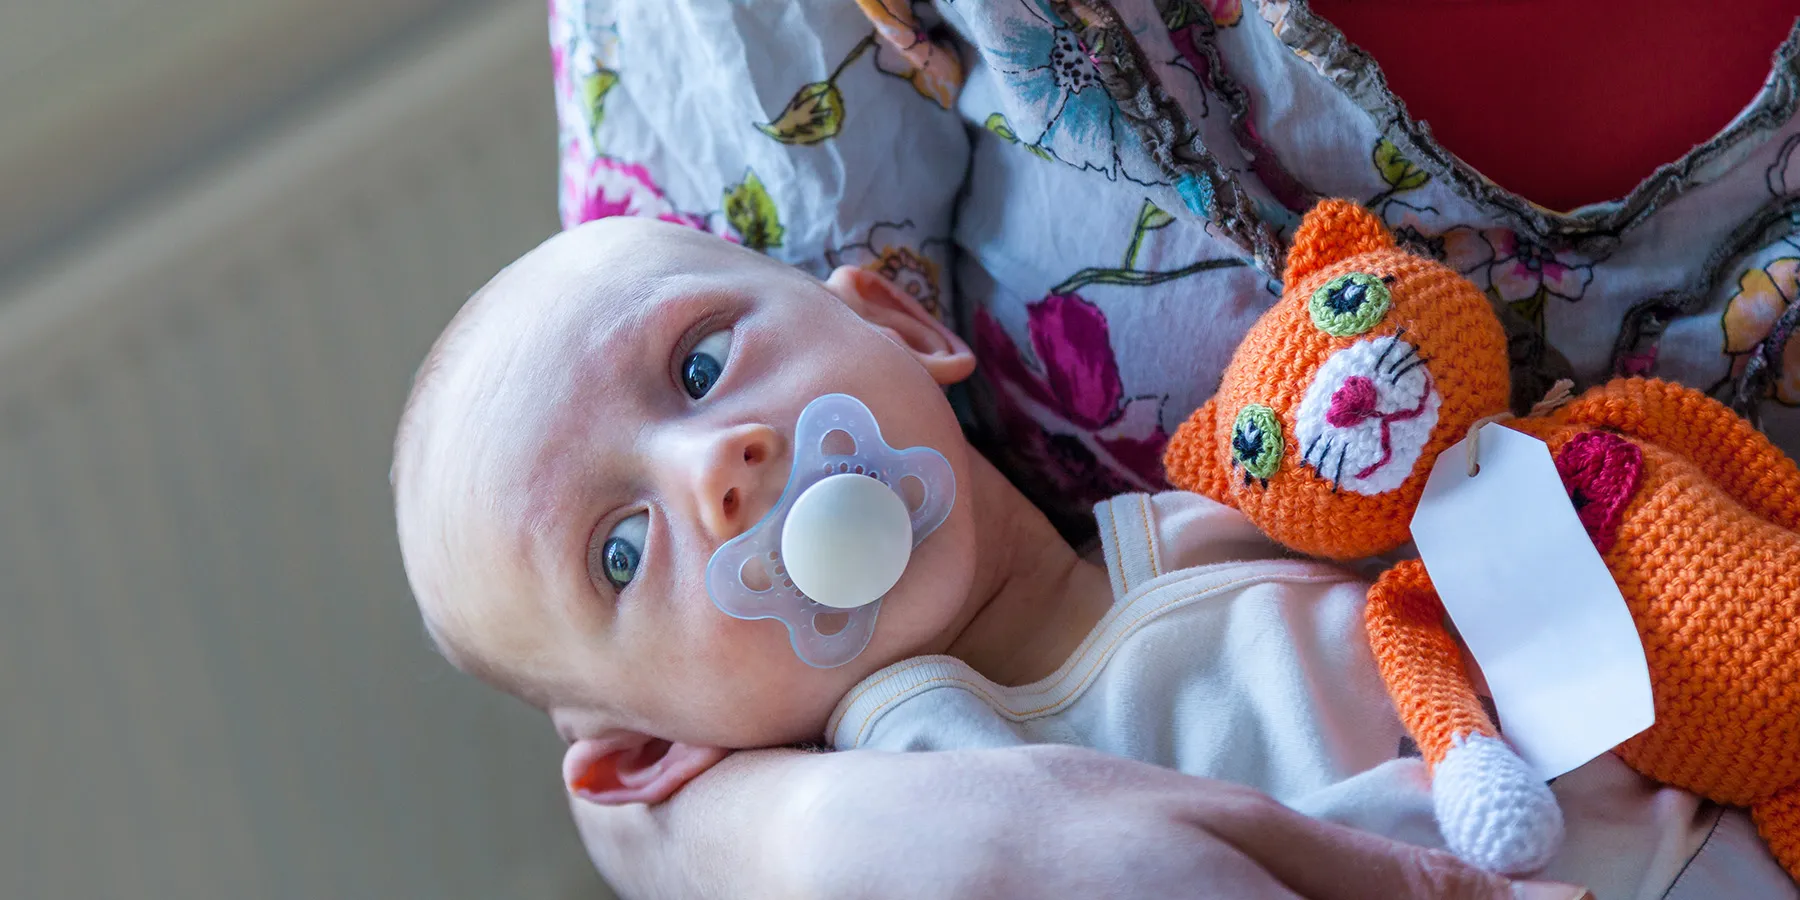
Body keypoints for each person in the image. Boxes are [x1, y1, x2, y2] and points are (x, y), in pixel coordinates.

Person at [527, 0, 1800, 895]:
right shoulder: (920, 775)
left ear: (901, 323)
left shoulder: (1193, 527)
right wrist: (814, 847)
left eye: (702, 368)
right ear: (648, 755)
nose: (714, 464)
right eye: (622, 548)